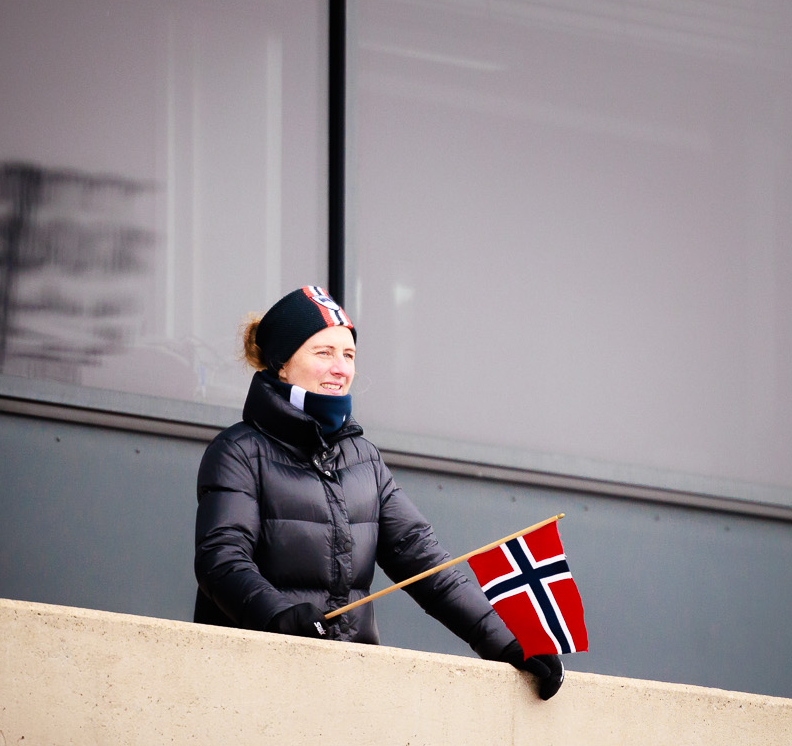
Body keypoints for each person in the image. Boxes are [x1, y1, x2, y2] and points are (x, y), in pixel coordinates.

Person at [193, 284, 562, 699]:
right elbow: (221, 562)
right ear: (282, 364)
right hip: (254, 683)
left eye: (348, 355)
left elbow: (427, 566)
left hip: (351, 687)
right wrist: (279, 616)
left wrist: (511, 643)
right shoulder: (239, 450)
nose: (340, 368)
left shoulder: (363, 459)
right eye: (323, 353)